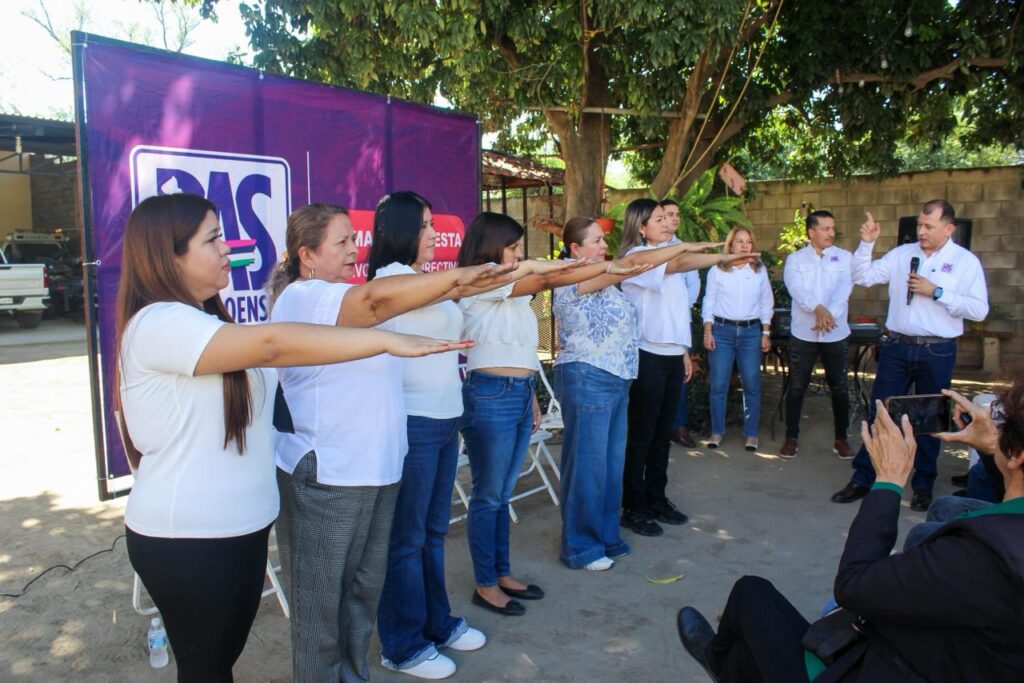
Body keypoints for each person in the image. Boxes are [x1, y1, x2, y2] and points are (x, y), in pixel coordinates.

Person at [117, 193, 465, 682]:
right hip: (190, 535)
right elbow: (275, 345)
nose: (228, 250)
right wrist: (389, 338)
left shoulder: (207, 323)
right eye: (213, 239)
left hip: (238, 527)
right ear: (167, 254)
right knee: (212, 665)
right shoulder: (158, 323)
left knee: (224, 661)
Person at [267, 203, 509, 682]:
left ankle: (354, 675)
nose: (354, 250)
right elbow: (376, 304)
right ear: (307, 255)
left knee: (361, 596)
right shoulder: (303, 296)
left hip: (377, 468)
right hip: (330, 472)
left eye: (352, 240)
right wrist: (459, 278)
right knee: (322, 608)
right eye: (341, 243)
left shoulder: (341, 293)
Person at [677, 378, 1024, 682]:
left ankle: (719, 662)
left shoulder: (983, 557)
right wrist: (999, 451)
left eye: (1003, 423)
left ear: (1018, 455)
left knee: (750, 595)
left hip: (897, 666)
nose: (997, 427)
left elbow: (853, 585)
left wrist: (889, 480)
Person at [456, 211, 647, 616]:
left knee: (501, 494)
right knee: (488, 496)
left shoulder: (514, 289)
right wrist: (584, 263)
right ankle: (486, 584)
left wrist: (532, 395)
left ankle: (502, 573)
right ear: (491, 248)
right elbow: (540, 276)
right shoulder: (481, 279)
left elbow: (522, 348)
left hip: (517, 391)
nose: (518, 254)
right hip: (490, 394)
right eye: (512, 247)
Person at [552, 216, 741, 569]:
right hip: (586, 376)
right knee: (587, 468)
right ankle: (580, 547)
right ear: (575, 249)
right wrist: (683, 244)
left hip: (617, 379)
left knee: (610, 466)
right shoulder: (569, 273)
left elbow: (670, 265)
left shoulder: (607, 279)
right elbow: (636, 264)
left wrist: (719, 258)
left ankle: (606, 536)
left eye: (602, 240)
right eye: (595, 241)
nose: (603, 246)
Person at [367, 191, 493, 680]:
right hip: (414, 422)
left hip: (446, 418)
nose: (433, 234)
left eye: (432, 224)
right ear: (399, 231)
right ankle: (401, 644)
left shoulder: (424, 280)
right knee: (407, 538)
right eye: (423, 226)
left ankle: (436, 623)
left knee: (434, 533)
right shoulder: (387, 283)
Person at [831, 200, 989, 511]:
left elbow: (979, 309)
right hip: (897, 347)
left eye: (929, 226)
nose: (921, 232)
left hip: (937, 349)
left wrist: (938, 292)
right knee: (882, 412)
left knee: (930, 417)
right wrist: (867, 243)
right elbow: (864, 276)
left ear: (949, 228)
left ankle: (923, 485)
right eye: (919, 225)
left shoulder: (965, 262)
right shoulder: (904, 254)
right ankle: (864, 478)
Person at [618, 199, 736, 537]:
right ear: (641, 227)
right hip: (646, 355)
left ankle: (657, 498)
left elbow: (677, 309)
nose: (668, 223)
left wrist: (683, 351)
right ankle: (633, 506)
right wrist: (721, 257)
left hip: (671, 355)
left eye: (669, 218)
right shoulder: (633, 259)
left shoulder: (671, 255)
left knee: (662, 434)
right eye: (659, 219)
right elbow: (676, 263)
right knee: (641, 436)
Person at [781, 210, 854, 459]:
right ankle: (791, 437)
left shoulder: (845, 258)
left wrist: (828, 314)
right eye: (825, 228)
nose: (831, 233)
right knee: (797, 386)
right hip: (804, 333)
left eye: (832, 228)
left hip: (835, 333)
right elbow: (796, 289)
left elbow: (844, 289)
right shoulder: (795, 259)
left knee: (840, 387)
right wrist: (818, 309)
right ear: (811, 232)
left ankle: (841, 439)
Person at [701, 226, 774, 451]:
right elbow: (709, 301)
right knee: (719, 384)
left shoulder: (758, 271)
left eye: (748, 241)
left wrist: (765, 333)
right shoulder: (717, 270)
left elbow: (766, 303)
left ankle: (751, 434)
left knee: (751, 383)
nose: (744, 245)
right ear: (730, 245)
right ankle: (717, 432)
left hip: (751, 333)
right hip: (722, 332)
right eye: (739, 241)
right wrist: (707, 331)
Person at [660, 199, 703, 448]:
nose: (674, 219)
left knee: (680, 374)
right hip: (652, 326)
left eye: (677, 214)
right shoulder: (645, 248)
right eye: (668, 214)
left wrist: (679, 309)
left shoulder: (683, 248)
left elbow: (693, 284)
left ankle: (677, 425)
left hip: (679, 321)